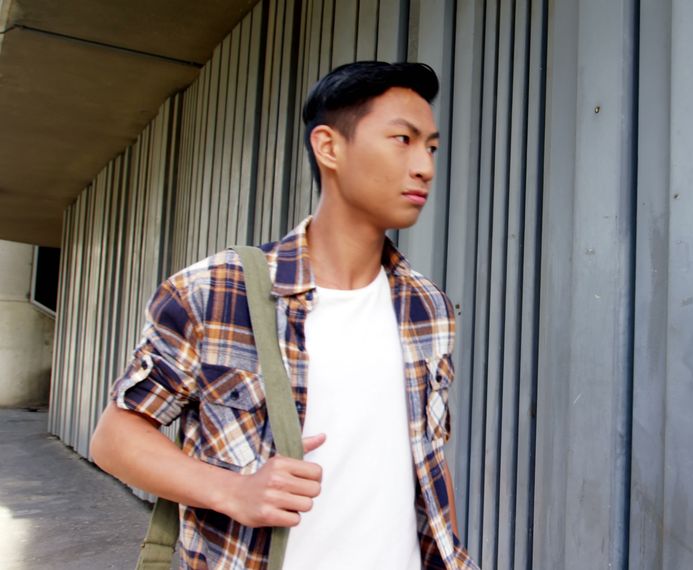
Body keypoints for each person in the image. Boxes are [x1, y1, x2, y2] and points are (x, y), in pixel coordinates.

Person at [90, 61, 478, 570]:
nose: (425, 166)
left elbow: (427, 464)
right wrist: (233, 491)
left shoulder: (428, 306)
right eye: (403, 140)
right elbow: (115, 438)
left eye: (431, 147)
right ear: (329, 147)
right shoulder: (217, 292)